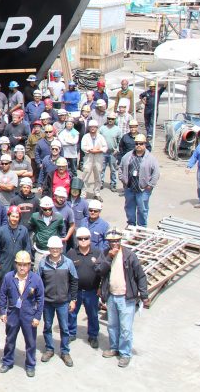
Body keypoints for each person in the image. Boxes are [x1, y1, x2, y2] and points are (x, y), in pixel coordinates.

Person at [99, 229, 149, 367]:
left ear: (120, 241)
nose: (114, 243)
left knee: (126, 328)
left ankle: (125, 353)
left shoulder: (129, 255)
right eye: (111, 241)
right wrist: (109, 257)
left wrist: (144, 295)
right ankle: (114, 348)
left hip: (126, 297)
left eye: (116, 241)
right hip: (111, 296)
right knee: (112, 325)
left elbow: (140, 276)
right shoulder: (104, 254)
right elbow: (99, 271)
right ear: (107, 242)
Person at [0, 250, 45, 377]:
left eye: (25, 265)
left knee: (30, 341)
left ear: (30, 265)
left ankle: (30, 364)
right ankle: (7, 362)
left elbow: (41, 299)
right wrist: (2, 311)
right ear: (15, 264)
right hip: (12, 314)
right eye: (20, 264)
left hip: (28, 314)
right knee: (10, 340)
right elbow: (2, 295)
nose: (22, 267)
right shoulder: (9, 277)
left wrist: (37, 317)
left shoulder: (36, 279)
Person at [38, 236, 78, 367]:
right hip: (47, 302)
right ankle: (49, 349)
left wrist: (73, 299)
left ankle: (65, 352)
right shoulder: (43, 263)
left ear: (61, 249)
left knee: (64, 328)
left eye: (57, 248)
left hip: (63, 301)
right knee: (47, 327)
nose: (55, 250)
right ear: (49, 249)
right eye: (52, 248)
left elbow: (74, 281)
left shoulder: (68, 263)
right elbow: (38, 282)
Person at [67, 226, 103, 348]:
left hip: (91, 290)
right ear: (77, 240)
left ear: (90, 239)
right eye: (80, 239)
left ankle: (93, 336)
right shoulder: (71, 253)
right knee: (71, 312)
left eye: (86, 239)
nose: (83, 241)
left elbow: (103, 271)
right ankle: (71, 333)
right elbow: (66, 271)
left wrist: (100, 287)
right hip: (75, 290)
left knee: (92, 314)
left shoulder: (97, 253)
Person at [118, 134, 159, 226]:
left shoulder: (151, 159)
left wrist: (150, 185)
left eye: (141, 143)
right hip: (129, 188)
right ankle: (131, 225)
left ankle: (142, 228)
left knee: (142, 209)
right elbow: (120, 168)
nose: (138, 145)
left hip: (143, 190)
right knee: (129, 208)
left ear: (145, 144)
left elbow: (156, 173)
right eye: (136, 144)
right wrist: (123, 180)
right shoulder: (127, 156)